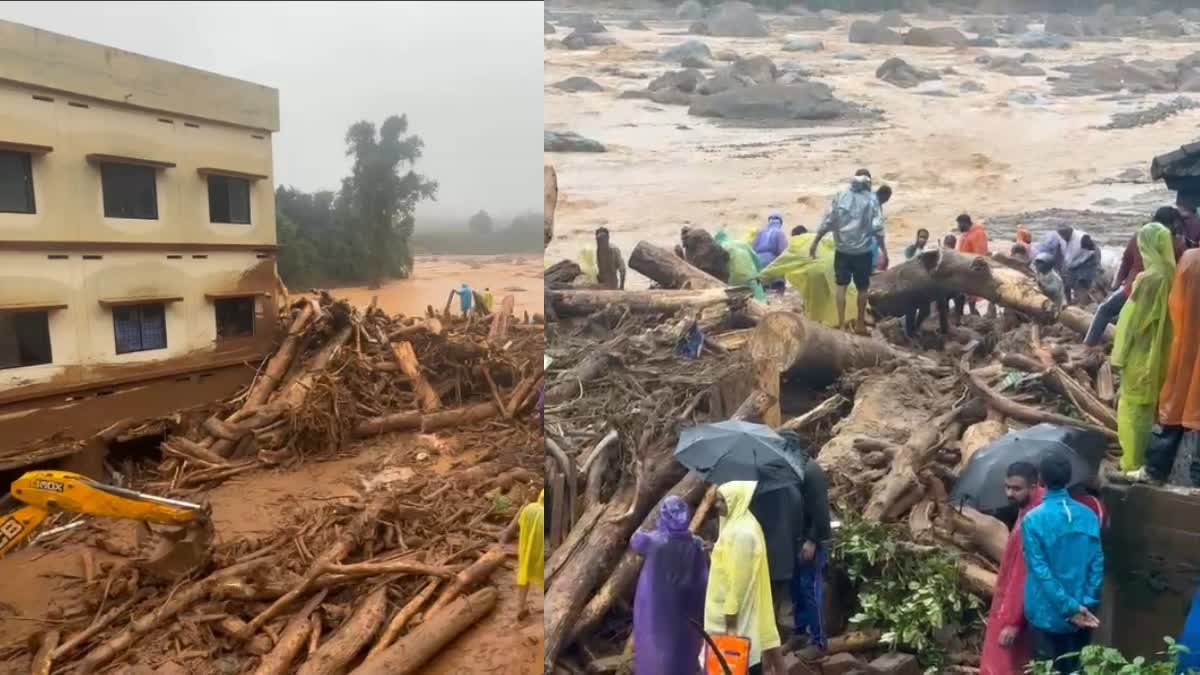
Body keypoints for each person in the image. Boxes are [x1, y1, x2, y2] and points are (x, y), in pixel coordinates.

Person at [1021, 453, 1103, 675]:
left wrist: (1070, 608)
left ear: (1041, 481)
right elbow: (1097, 564)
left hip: (1046, 612)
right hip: (1083, 614)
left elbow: (1040, 571)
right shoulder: (1088, 516)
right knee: (1075, 667)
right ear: (1068, 479)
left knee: (1047, 668)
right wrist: (1085, 603)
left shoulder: (1032, 520)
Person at [1113, 220, 1177, 472]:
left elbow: (1130, 321)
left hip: (1142, 355)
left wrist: (1119, 356)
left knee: (1133, 411)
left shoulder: (1147, 279)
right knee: (1153, 409)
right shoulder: (1173, 275)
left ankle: (1132, 462)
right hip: (1164, 353)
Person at [1133, 248, 1200, 485]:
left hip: (1188, 352)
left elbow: (1176, 308)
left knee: (1175, 409)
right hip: (1189, 351)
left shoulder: (1191, 260)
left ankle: (1155, 470)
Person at [705, 481, 783, 675]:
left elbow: (739, 581)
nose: (717, 506)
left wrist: (730, 616)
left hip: (733, 618)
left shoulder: (742, 534)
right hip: (731, 615)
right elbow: (729, 564)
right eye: (717, 500)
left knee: (737, 663)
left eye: (722, 501)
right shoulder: (738, 524)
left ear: (736, 501)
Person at [630, 495, 708, 675]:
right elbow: (702, 578)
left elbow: (635, 541)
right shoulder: (695, 543)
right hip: (685, 606)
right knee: (682, 648)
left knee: (654, 647)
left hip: (654, 606)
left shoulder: (652, 541)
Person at [1086, 207, 1181, 347]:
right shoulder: (1176, 242)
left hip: (1135, 288)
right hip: (1159, 291)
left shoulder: (1141, 235)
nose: (1176, 226)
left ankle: (1089, 344)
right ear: (1170, 223)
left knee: (1104, 310)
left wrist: (1117, 283)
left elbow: (1126, 260)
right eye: (1175, 223)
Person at [981, 462, 1044, 675]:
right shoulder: (1029, 507)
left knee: (1004, 665)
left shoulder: (1033, 518)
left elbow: (1022, 575)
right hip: (1014, 603)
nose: (1009, 493)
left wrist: (1012, 621)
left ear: (1035, 486)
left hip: (1015, 607)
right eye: (1007, 487)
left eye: (1017, 489)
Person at [809, 174, 883, 334]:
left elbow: (828, 221)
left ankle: (842, 325)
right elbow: (878, 227)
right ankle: (860, 324)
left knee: (841, 286)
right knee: (862, 288)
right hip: (863, 253)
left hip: (842, 251)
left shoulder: (840, 196)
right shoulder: (872, 199)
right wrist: (884, 249)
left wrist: (815, 242)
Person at [779, 432, 831, 659]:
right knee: (796, 589)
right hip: (793, 540)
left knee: (810, 588)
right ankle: (799, 632)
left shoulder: (811, 471)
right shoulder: (791, 470)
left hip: (811, 541)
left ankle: (819, 642)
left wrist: (812, 540)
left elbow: (820, 511)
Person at [748, 478, 803, 638]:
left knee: (761, 598)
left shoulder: (760, 492)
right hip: (786, 553)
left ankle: (763, 638)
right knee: (776, 597)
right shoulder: (793, 488)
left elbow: (754, 520)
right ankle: (773, 631)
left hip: (765, 553)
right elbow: (798, 520)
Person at [1035, 225, 1101, 305]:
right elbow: (1060, 255)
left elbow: (1096, 250)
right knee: (1066, 282)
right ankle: (1069, 302)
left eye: (1064, 234)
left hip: (1086, 262)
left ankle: (1083, 304)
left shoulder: (1082, 238)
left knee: (1081, 285)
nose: (1062, 236)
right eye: (1061, 234)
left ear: (1070, 231)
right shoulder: (1060, 239)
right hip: (1072, 263)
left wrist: (1096, 265)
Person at [515, 491, 544, 620]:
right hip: (541, 552)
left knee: (524, 575)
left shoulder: (529, 508)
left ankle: (520, 607)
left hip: (527, 550)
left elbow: (520, 523)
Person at [957, 214, 989, 317]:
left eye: (959, 224)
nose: (958, 227)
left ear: (964, 223)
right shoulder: (969, 233)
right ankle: (971, 313)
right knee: (967, 295)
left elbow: (979, 253)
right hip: (966, 268)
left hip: (973, 269)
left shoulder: (977, 233)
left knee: (972, 295)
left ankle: (972, 314)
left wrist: (974, 270)